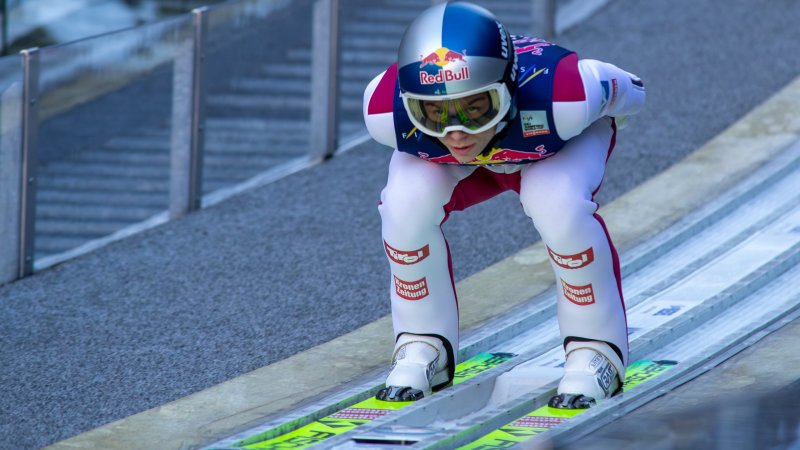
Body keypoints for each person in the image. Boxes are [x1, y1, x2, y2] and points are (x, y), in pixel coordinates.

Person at [362, 2, 645, 409]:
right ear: (409, 105)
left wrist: (604, 110)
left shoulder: (565, 95)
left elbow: (633, 90)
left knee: (557, 204)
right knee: (404, 204)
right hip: (480, 156)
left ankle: (594, 349)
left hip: (552, 149)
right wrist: (476, 124)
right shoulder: (383, 111)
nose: (457, 133)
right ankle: (422, 342)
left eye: (476, 107)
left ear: (509, 89)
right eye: (434, 114)